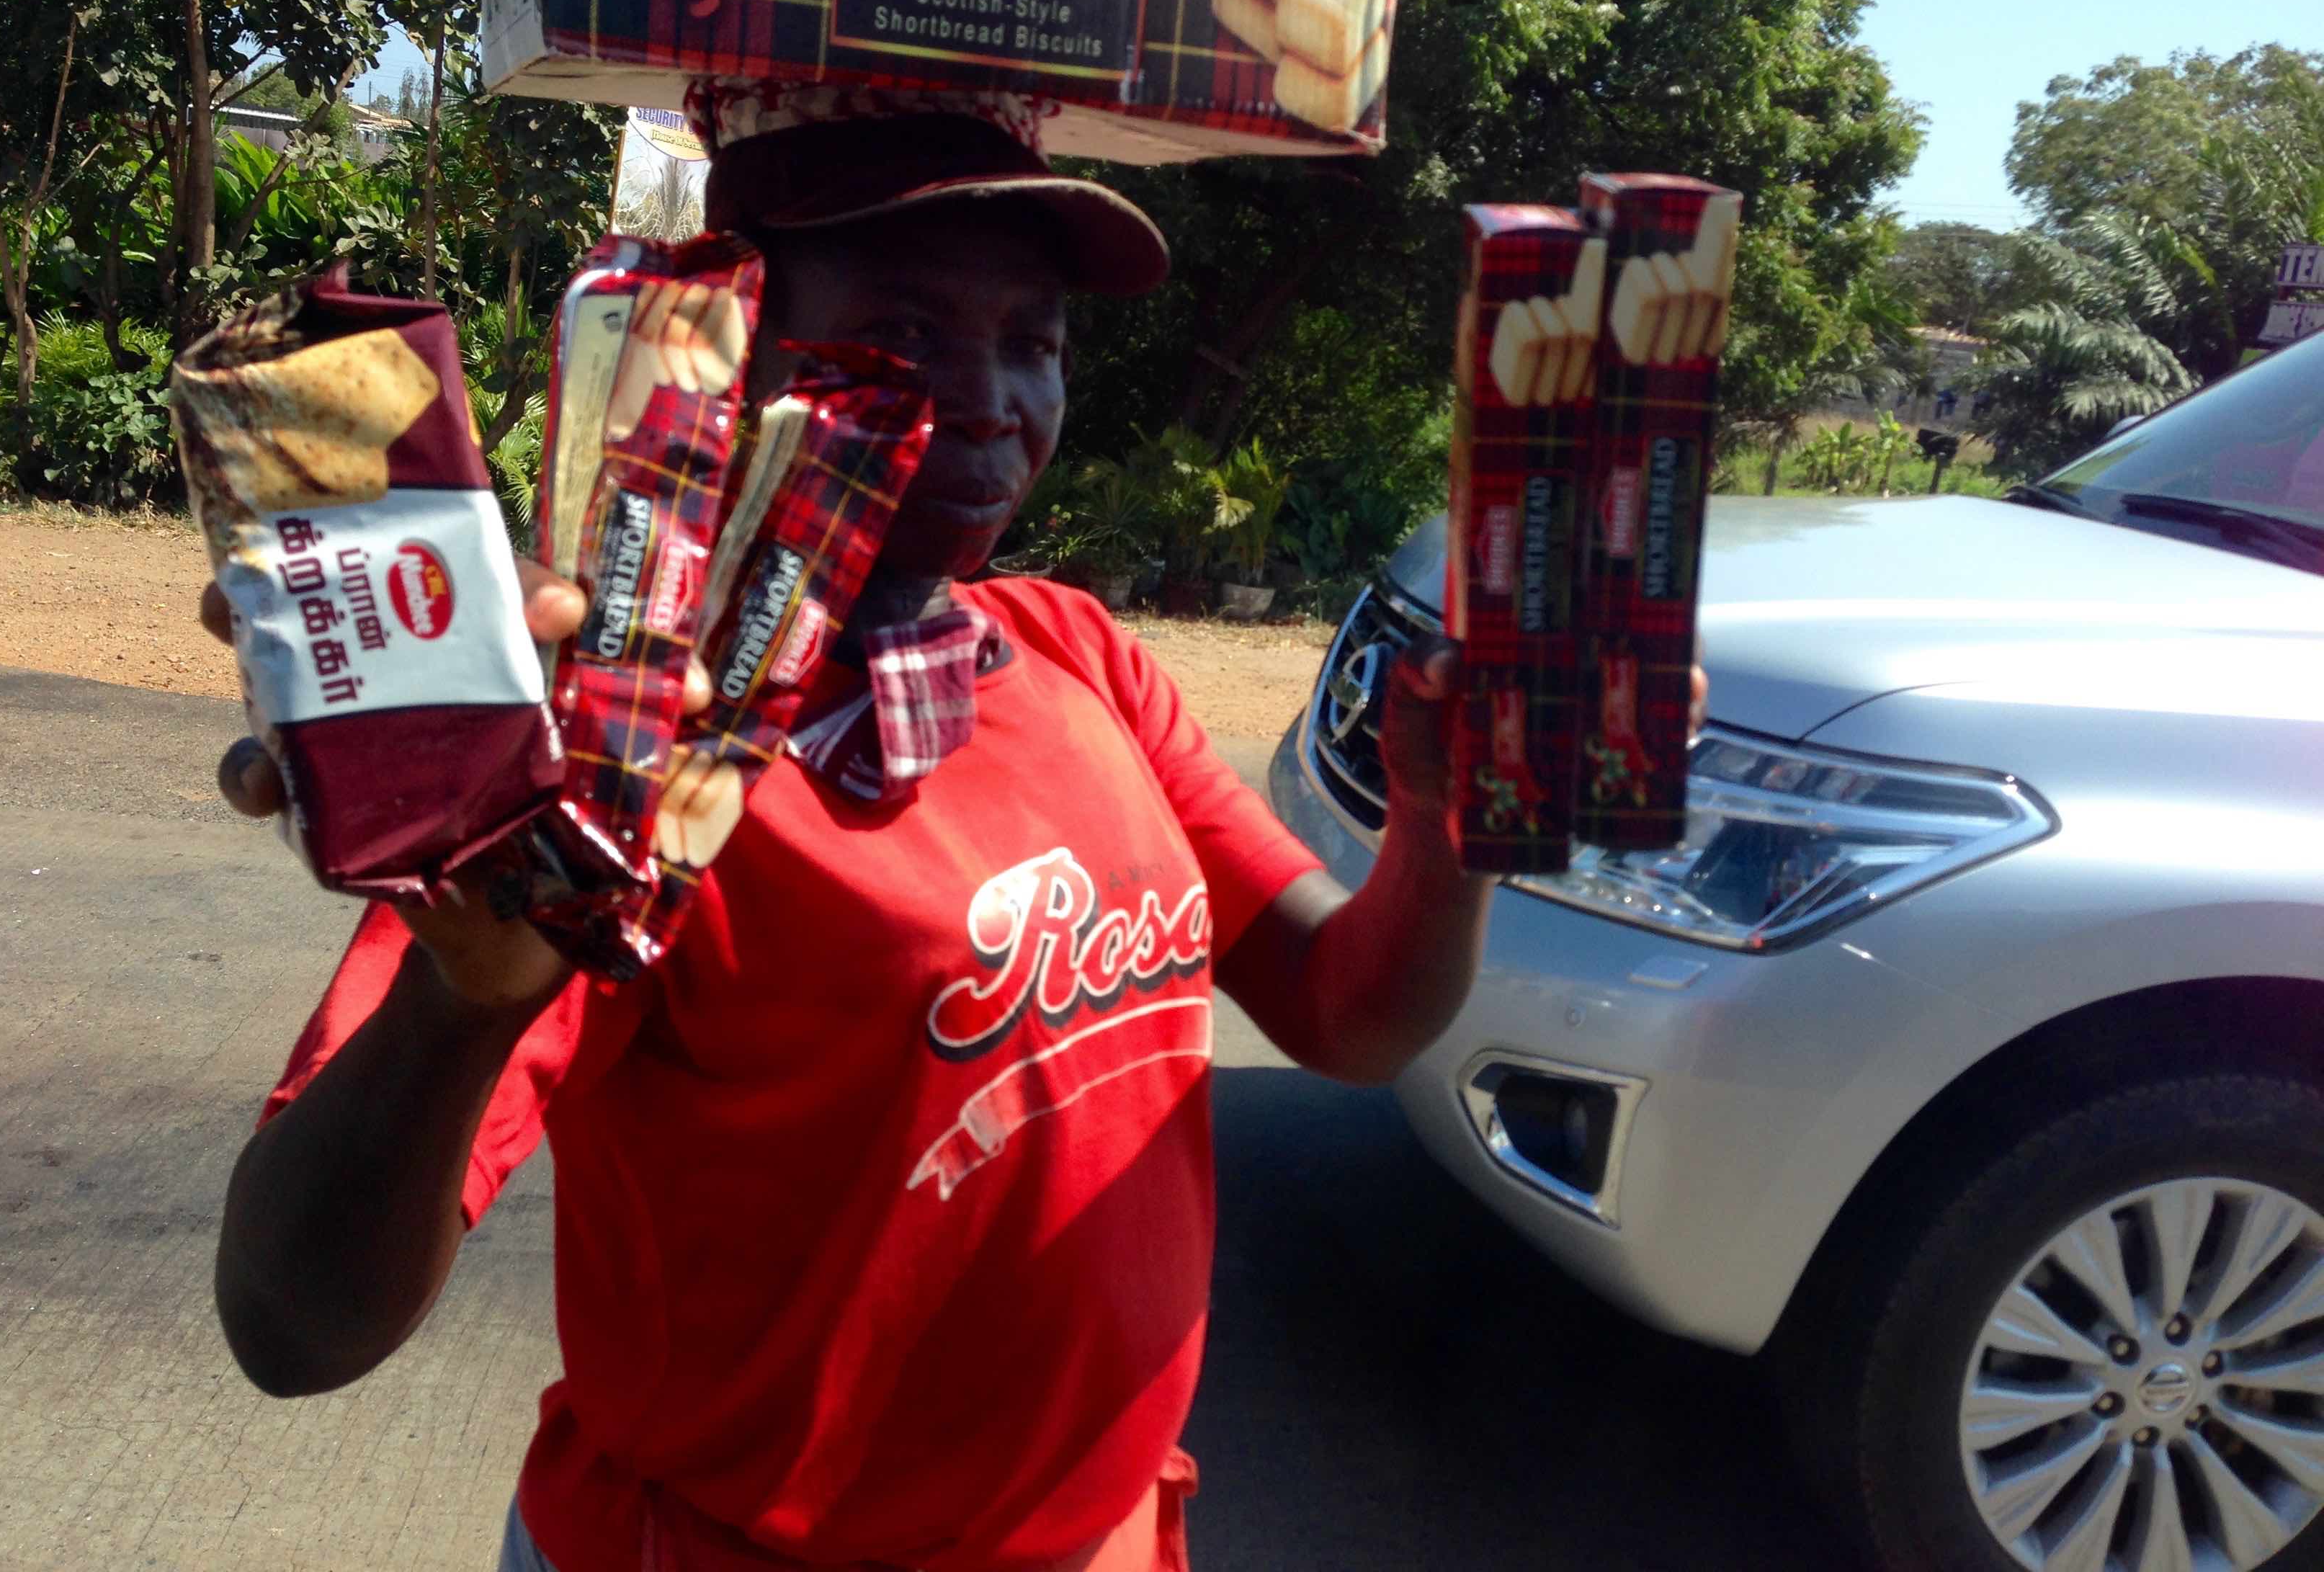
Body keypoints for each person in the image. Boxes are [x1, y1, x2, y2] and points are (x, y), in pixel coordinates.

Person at [207, 82, 1705, 1572]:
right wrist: (461, 999)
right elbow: (291, 1322)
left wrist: (1449, 827)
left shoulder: (1073, 655)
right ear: (727, 358)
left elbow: (1348, 1012)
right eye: (909, 335)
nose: (996, 397)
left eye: (1035, 340)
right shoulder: (611, 760)